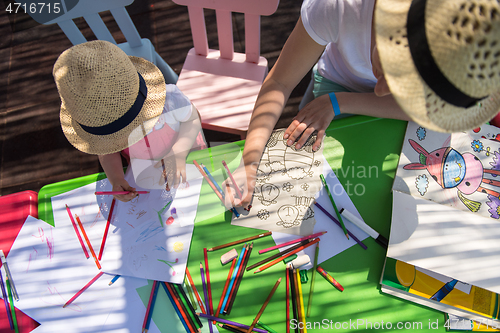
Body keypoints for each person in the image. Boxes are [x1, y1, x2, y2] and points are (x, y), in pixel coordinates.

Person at [230, 0, 500, 208]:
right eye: (388, 72)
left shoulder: (473, 40)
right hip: (337, 82)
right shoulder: (338, 7)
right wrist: (250, 158)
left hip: (344, 100)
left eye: (402, 86)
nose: (380, 90)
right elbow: (279, 82)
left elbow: (423, 112)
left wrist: (342, 103)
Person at [53, 40, 206, 202]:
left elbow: (193, 119)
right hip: (145, 170)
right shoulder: (101, 122)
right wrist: (116, 179)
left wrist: (179, 151)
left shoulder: (169, 99)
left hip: (189, 154)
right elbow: (106, 152)